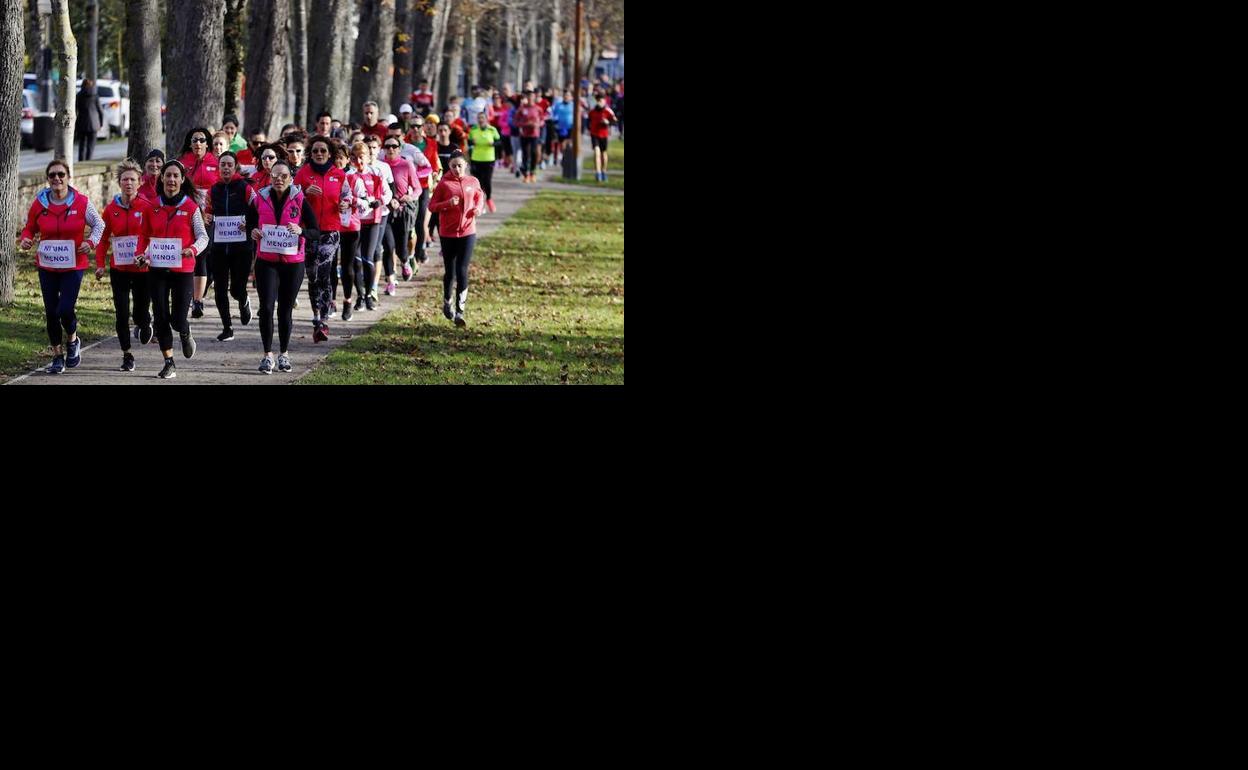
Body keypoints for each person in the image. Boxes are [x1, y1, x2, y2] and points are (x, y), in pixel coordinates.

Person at [18, 159, 105, 374]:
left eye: (61, 175)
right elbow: (29, 228)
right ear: (48, 179)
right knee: (50, 312)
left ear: (68, 177)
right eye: (52, 175)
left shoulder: (81, 202)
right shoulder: (40, 203)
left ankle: (73, 340)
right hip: (47, 265)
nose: (57, 178)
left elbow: (99, 224)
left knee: (64, 309)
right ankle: (57, 356)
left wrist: (90, 242)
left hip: (73, 265)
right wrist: (26, 239)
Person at [135, 159, 209, 380]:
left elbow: (203, 236)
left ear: (182, 180)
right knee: (160, 317)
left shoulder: (191, 207)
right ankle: (169, 362)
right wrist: (141, 255)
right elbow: (144, 236)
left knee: (177, 319)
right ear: (162, 179)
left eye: (176, 176)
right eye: (168, 175)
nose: (171, 180)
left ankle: (184, 332)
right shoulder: (152, 206)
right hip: (157, 269)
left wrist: (193, 249)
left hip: (182, 270)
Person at [247, 161, 319, 374]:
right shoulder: (260, 198)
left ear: (291, 178)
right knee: (267, 308)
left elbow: (316, 231)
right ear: (269, 177)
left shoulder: (300, 199)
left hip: (293, 264)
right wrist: (253, 232)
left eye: (284, 176)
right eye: (275, 175)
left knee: (285, 311)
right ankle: (267, 355)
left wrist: (301, 231)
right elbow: (250, 223)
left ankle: (284, 354)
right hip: (266, 262)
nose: (279, 179)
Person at [96, 159, 154, 371]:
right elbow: (102, 240)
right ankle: (127, 354)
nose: (128, 183)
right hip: (119, 269)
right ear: (119, 182)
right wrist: (100, 264)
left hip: (142, 269)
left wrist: (146, 255)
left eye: (132, 179)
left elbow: (154, 236)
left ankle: (145, 321)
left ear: (139, 182)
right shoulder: (111, 209)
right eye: (124, 179)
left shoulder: (148, 206)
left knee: (139, 312)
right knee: (121, 312)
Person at [294, 136, 352, 340]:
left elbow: (347, 196)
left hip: (330, 231)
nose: (319, 154)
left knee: (325, 274)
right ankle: (316, 314)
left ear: (330, 153)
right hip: (309, 231)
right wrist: (304, 192)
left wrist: (345, 203)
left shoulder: (338, 174)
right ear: (311, 153)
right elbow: (292, 199)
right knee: (313, 276)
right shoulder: (302, 174)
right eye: (316, 151)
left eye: (323, 151)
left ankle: (324, 321)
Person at [203, 150, 256, 342]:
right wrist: (207, 218)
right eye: (222, 164)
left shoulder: (245, 188)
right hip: (219, 247)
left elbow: (258, 210)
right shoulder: (213, 189)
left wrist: (248, 224)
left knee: (236, 288)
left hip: (241, 247)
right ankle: (227, 327)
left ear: (235, 167)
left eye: (229, 164)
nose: (225, 167)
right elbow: (206, 212)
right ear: (218, 168)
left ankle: (243, 300)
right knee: (220, 289)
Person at [427, 152, 484, 327]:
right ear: (449, 167)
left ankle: (460, 310)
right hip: (448, 233)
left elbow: (479, 196)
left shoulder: (473, 181)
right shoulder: (444, 184)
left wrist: (477, 209)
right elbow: (432, 206)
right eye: (453, 166)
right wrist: (447, 204)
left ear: (465, 165)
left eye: (460, 165)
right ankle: (447, 301)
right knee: (450, 272)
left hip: (468, 231)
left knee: (462, 270)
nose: (457, 169)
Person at [333, 142, 368, 322]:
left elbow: (365, 204)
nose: (338, 161)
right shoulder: (328, 177)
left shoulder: (354, 178)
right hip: (330, 224)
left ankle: (347, 300)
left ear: (348, 160)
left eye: (341, 158)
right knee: (331, 265)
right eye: (335, 158)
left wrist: (351, 201)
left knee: (347, 265)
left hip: (350, 226)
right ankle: (331, 301)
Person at [348, 141, 384, 312]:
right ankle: (360, 294)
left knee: (368, 258)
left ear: (368, 157)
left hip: (372, 221)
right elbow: (345, 196)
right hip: (354, 222)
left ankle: (369, 295)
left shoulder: (376, 173)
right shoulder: (349, 175)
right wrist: (356, 202)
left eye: (362, 157)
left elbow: (386, 192)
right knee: (356, 260)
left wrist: (380, 201)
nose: (359, 161)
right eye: (355, 158)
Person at [380, 135, 421, 284]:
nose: (391, 149)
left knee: (401, 247)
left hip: (403, 211)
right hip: (385, 210)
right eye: (387, 146)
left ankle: (405, 261)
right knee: (388, 246)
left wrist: (410, 197)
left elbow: (417, 188)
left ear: (399, 149)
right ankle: (391, 281)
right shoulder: (380, 165)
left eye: (394, 146)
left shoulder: (406, 165)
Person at [468, 110, 501, 213]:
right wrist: (471, 142)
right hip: (476, 159)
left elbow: (499, 142)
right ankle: (479, 203)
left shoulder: (492, 130)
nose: (481, 120)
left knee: (487, 182)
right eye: (479, 118)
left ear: (487, 119)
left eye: (483, 118)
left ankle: (489, 199)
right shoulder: (473, 130)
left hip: (488, 159)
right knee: (477, 183)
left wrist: (493, 144)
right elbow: (468, 142)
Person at [177, 127, 221, 204]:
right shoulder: (181, 162)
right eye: (194, 140)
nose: (198, 143)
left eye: (202, 140)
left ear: (207, 144)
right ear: (190, 144)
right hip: (188, 202)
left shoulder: (216, 162)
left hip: (212, 203)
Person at [588, 93, 618, 182]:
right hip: (594, 134)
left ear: (604, 101)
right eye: (598, 101)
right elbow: (589, 121)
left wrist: (607, 122)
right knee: (596, 153)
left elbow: (615, 122)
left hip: (604, 135)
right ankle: (598, 173)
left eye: (601, 101)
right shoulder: (592, 112)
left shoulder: (608, 111)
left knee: (603, 154)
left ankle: (604, 171)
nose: (599, 103)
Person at [514, 92, 543, 183]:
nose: (530, 99)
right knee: (526, 154)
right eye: (529, 97)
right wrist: (525, 124)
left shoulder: (538, 109)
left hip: (535, 134)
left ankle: (533, 173)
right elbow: (515, 121)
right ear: (526, 98)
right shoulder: (522, 109)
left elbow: (542, 120)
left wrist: (537, 124)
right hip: (524, 134)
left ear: (534, 98)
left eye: (532, 97)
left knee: (534, 153)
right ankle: (525, 175)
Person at [74, 79, 105, 162]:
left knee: (82, 144)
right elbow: (100, 111)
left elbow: (75, 110)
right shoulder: (95, 96)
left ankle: (81, 161)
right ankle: (89, 160)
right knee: (91, 145)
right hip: (94, 124)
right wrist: (101, 123)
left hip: (81, 123)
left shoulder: (78, 96)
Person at [552, 90, 575, 167]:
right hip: (561, 128)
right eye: (565, 95)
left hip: (570, 128)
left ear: (571, 97)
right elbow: (554, 114)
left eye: (568, 95)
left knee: (568, 144)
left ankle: (567, 158)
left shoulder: (573, 105)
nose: (566, 97)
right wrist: (555, 122)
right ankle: (564, 158)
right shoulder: (558, 105)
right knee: (562, 144)